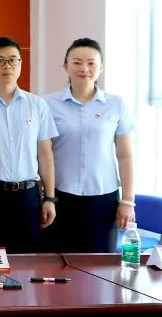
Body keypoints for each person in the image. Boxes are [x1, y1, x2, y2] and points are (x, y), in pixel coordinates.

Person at [44, 38, 135, 253]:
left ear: (101, 68)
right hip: (60, 196)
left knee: (100, 264)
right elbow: (43, 154)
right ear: (66, 66)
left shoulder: (116, 104)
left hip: (103, 199)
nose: (84, 69)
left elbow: (125, 155)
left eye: (91, 63)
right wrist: (46, 196)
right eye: (76, 62)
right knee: (57, 262)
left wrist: (127, 201)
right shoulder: (47, 104)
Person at [0, 37, 58, 253]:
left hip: (27, 196)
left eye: (13, 60)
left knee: (26, 260)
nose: (7, 66)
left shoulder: (37, 105)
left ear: (21, 63)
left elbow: (45, 153)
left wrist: (49, 197)